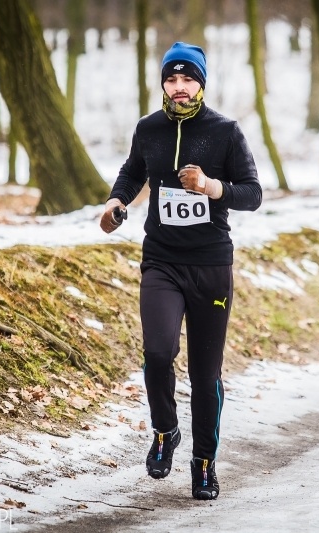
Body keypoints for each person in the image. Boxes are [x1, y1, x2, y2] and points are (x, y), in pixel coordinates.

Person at [100, 41, 262, 500]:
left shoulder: (225, 132)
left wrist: (211, 187)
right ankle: (165, 430)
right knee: (157, 351)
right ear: (164, 85)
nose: (179, 88)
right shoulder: (148, 129)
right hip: (162, 261)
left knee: (204, 374)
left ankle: (204, 462)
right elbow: (133, 173)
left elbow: (252, 192)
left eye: (188, 79)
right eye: (172, 80)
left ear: (201, 83)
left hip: (211, 264)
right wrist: (116, 202)